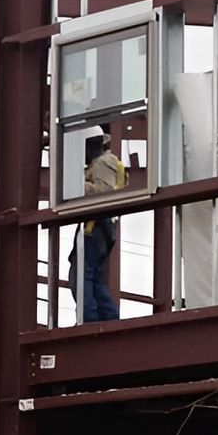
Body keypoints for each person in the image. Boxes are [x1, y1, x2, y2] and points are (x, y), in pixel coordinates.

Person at [71, 133, 124, 322]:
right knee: (92, 277)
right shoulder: (108, 163)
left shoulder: (103, 162)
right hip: (101, 227)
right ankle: (107, 319)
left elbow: (104, 194)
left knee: (81, 276)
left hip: (95, 227)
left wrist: (74, 184)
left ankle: (90, 321)